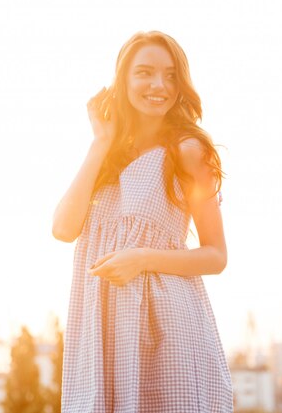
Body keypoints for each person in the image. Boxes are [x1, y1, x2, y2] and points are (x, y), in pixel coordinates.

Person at [52, 30, 233, 413]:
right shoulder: (105, 155)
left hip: (164, 325)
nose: (159, 85)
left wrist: (141, 258)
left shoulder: (187, 151)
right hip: (100, 326)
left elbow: (216, 255)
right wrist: (100, 142)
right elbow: (64, 229)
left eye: (170, 75)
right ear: (123, 80)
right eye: (145, 72)